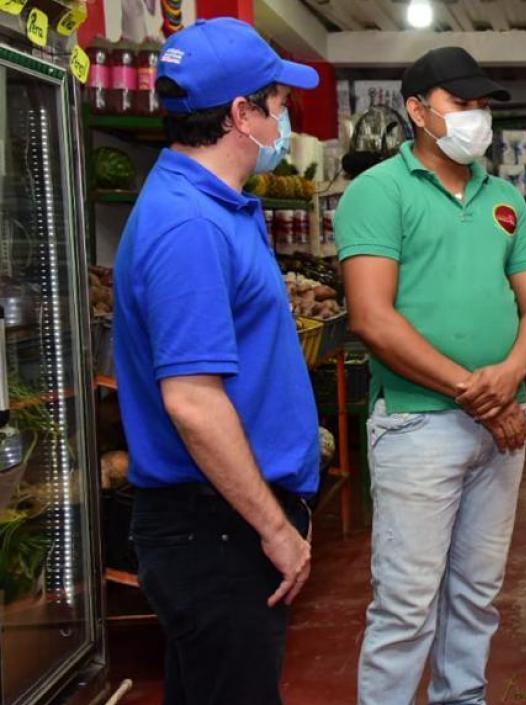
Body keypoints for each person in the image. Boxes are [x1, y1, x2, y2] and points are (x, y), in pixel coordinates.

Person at [334, 47, 526, 705]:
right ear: (418, 110)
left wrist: (512, 372)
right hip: (416, 425)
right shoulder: (378, 192)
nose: (477, 118)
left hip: (500, 429)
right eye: (464, 104)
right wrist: (480, 394)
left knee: (478, 595)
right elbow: (373, 319)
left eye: (485, 106)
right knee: (405, 604)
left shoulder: (505, 198)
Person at [111, 18, 321, 705]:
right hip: (218, 528)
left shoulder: (215, 206)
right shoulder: (188, 226)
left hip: (223, 519)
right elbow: (193, 400)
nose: (285, 118)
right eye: (279, 103)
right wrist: (273, 527)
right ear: (242, 114)